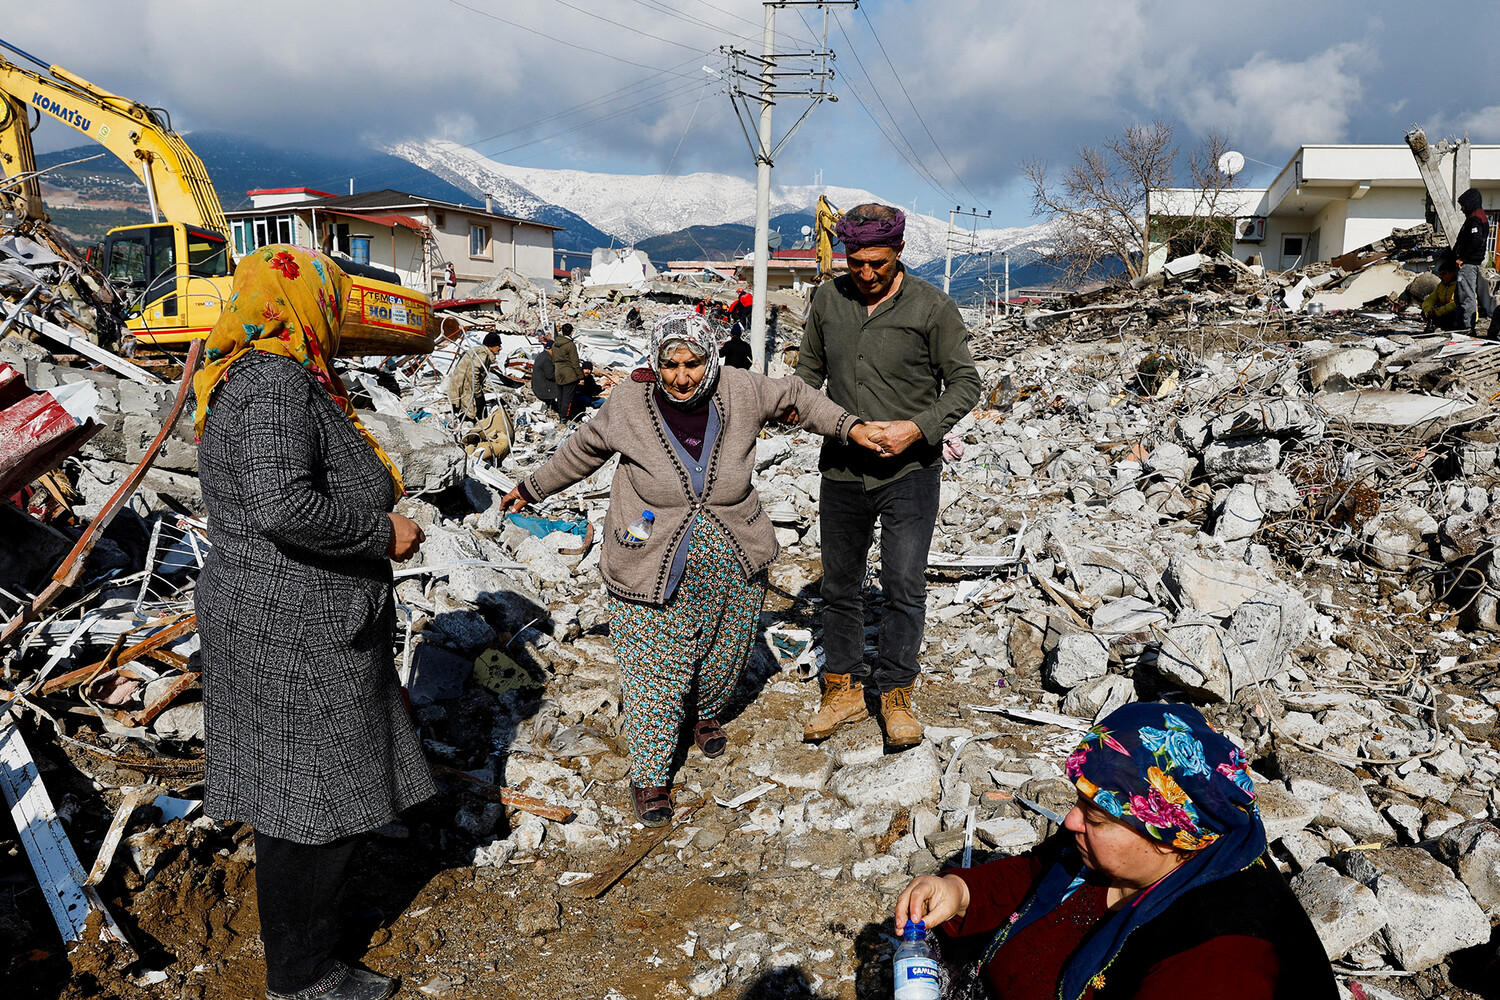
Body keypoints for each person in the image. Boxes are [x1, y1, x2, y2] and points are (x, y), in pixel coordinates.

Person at [499, 311, 884, 826]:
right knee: (656, 672)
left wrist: (849, 427)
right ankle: (652, 774)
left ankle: (705, 713)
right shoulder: (629, 405)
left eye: (693, 363)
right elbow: (582, 451)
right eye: (670, 363)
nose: (682, 376)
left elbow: (797, 395)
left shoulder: (742, 389)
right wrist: (531, 488)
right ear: (655, 362)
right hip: (648, 559)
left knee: (725, 654)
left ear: (712, 359)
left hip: (735, 554)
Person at [194, 245, 433, 1000]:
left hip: (280, 611)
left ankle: (301, 962)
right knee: (315, 800)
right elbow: (280, 505)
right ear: (301, 304)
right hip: (294, 623)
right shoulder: (275, 383)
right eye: (327, 298)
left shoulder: (249, 375)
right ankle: (302, 978)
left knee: (294, 792)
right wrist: (382, 535)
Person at [895, 703, 1338, 1000]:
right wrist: (958, 890)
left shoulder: (1217, 964)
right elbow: (1040, 872)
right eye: (1080, 803)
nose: (1070, 821)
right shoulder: (1110, 853)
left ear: (1169, 836)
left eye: (1097, 817)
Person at [795, 203, 981, 747]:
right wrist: (801, 408)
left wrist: (918, 429)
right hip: (843, 469)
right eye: (856, 262)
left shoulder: (933, 306)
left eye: (877, 262)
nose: (866, 273)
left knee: (903, 583)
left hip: (911, 471)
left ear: (898, 252)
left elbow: (965, 384)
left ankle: (896, 694)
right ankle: (843, 689)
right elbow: (808, 375)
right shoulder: (828, 300)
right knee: (839, 585)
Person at [1455, 188, 1492, 334]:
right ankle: (1460, 325)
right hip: (1468, 262)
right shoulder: (1476, 216)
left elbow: (1475, 240)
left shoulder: (1475, 218)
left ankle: (1466, 327)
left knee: (1466, 295)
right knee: (1461, 295)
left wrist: (1463, 258)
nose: (1461, 208)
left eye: (1463, 205)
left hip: (1468, 263)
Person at [446, 331, 502, 421]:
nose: (500, 348)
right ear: (491, 347)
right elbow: (472, 376)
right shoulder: (482, 355)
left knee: (469, 411)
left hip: (464, 385)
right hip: (465, 387)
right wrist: (478, 394)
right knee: (470, 413)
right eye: (498, 345)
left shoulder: (480, 351)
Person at [552, 322, 584, 419]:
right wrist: (581, 377)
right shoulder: (570, 345)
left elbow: (553, 360)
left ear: (561, 331)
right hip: (569, 373)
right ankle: (564, 416)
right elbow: (575, 362)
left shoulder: (555, 344)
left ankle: (561, 414)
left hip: (558, 372)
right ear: (571, 332)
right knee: (568, 396)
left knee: (560, 396)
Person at [1422, 253, 1461, 331]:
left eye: (1444, 274)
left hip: (1454, 313)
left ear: (1453, 273)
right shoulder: (1441, 285)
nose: (1441, 277)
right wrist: (1428, 310)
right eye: (1440, 274)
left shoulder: (1459, 285)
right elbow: (1431, 299)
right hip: (1443, 311)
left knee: (1452, 314)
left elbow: (1456, 304)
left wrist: (1437, 312)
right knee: (1424, 313)